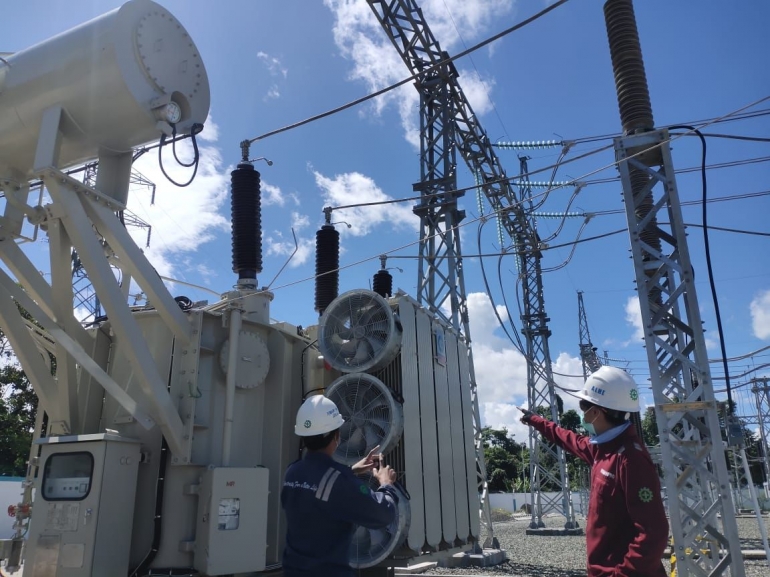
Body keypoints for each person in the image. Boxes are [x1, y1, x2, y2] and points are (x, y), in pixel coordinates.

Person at [517, 366, 669, 577]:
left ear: (596, 412)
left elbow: (653, 533)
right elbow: (567, 438)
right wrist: (536, 421)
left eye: (584, 408)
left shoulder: (630, 459)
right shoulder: (602, 449)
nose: (583, 415)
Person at [281, 395, 399, 577]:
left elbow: (321, 489)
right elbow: (383, 514)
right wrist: (386, 485)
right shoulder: (337, 482)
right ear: (336, 436)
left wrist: (351, 472)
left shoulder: (292, 472)